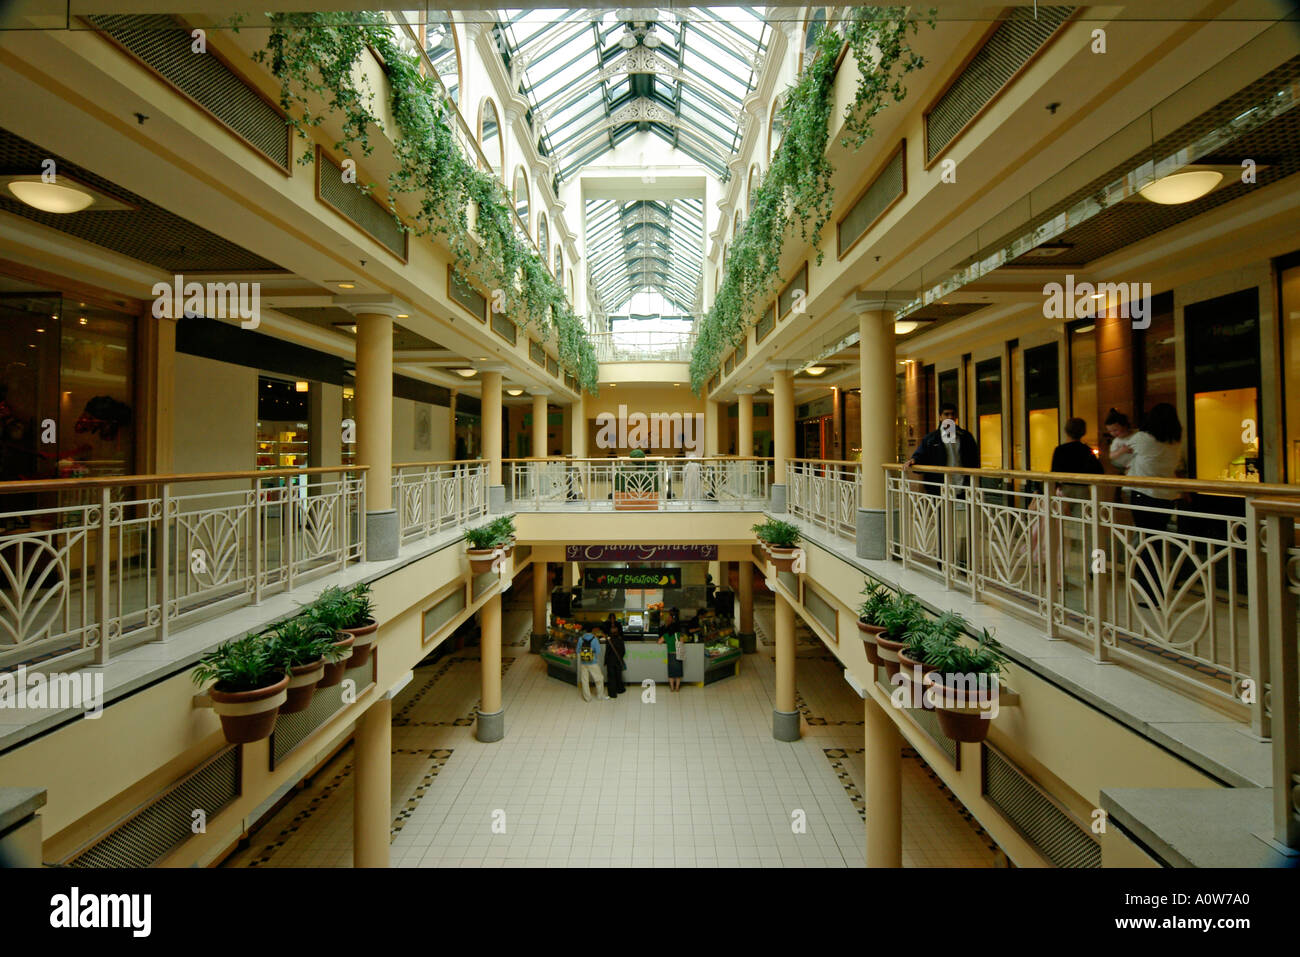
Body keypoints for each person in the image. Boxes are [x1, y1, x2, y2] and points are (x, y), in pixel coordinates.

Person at [1109, 403, 1184, 605]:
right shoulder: (1174, 440)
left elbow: (1119, 456)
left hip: (1143, 493)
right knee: (1157, 540)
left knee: (1146, 542)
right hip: (1167, 495)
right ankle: (1160, 585)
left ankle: (1150, 590)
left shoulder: (1142, 438)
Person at [903, 402, 979, 491]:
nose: (950, 417)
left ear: (956, 417)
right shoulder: (931, 439)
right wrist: (914, 460)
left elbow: (974, 459)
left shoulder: (966, 437)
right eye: (946, 414)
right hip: (939, 489)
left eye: (952, 414)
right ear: (940, 417)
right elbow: (920, 454)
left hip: (962, 487)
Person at [576, 630, 607, 701]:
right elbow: (598, 651)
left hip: (583, 663)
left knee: (584, 680)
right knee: (599, 679)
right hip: (593, 662)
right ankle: (600, 696)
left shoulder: (581, 639)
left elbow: (577, 650)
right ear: (592, 631)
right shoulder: (595, 639)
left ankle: (587, 698)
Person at [1102, 408, 1135, 474]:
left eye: (1115, 430)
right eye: (1110, 431)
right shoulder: (1116, 441)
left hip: (1134, 465)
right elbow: (1111, 456)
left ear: (1125, 426)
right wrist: (1122, 450)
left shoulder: (1135, 435)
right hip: (1122, 466)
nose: (1113, 433)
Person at [658, 613, 683, 692]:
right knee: (678, 673)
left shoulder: (666, 635)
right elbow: (682, 642)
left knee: (671, 673)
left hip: (670, 654)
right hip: (678, 654)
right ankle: (677, 688)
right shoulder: (678, 634)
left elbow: (659, 642)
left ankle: (672, 688)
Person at [605, 617, 626, 698]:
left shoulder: (609, 640)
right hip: (618, 660)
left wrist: (605, 661)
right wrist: (620, 657)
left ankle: (613, 694)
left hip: (610, 661)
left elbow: (607, 652)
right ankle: (620, 689)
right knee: (618, 675)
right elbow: (624, 651)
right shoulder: (621, 640)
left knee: (611, 677)